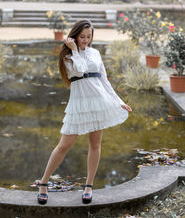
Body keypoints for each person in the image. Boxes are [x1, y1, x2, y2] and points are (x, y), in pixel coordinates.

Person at [37, 19, 132, 205]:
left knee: (95, 144)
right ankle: (43, 183)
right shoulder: (67, 57)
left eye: (89, 36)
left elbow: (104, 80)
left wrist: (118, 101)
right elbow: (79, 71)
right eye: (82, 36)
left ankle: (88, 185)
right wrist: (73, 50)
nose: (86, 40)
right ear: (74, 36)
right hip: (79, 105)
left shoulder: (95, 53)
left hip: (98, 102)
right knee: (63, 145)